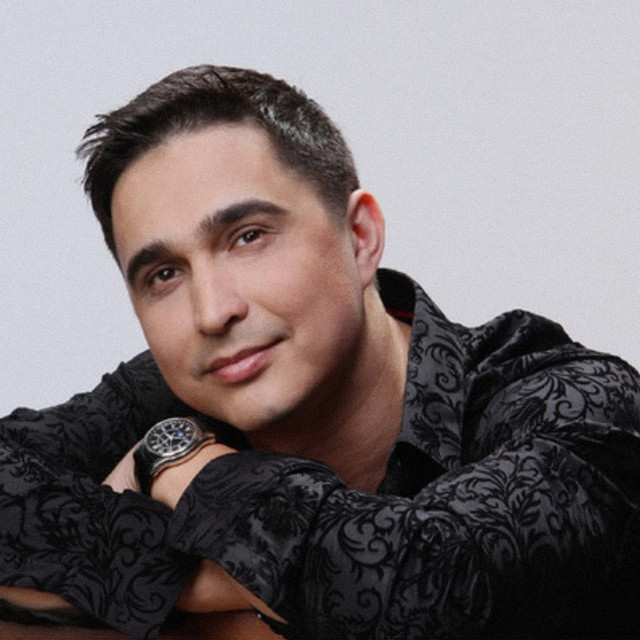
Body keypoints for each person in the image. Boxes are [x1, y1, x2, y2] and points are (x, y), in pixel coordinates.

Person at [1, 64, 640, 639]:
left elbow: (429, 588)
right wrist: (215, 589)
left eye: (248, 237)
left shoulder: (573, 400)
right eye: (164, 274)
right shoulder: (174, 387)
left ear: (359, 237)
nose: (212, 311)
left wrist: (181, 467)